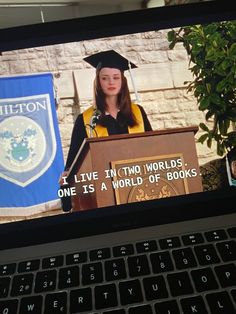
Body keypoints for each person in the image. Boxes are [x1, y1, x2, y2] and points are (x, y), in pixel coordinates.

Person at [60, 50, 152, 211]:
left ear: (122, 81)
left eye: (116, 77)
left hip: (140, 192)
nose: (111, 82)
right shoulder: (86, 120)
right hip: (105, 198)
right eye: (105, 78)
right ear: (98, 82)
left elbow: (156, 151)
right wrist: (66, 187)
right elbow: (72, 168)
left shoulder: (138, 113)